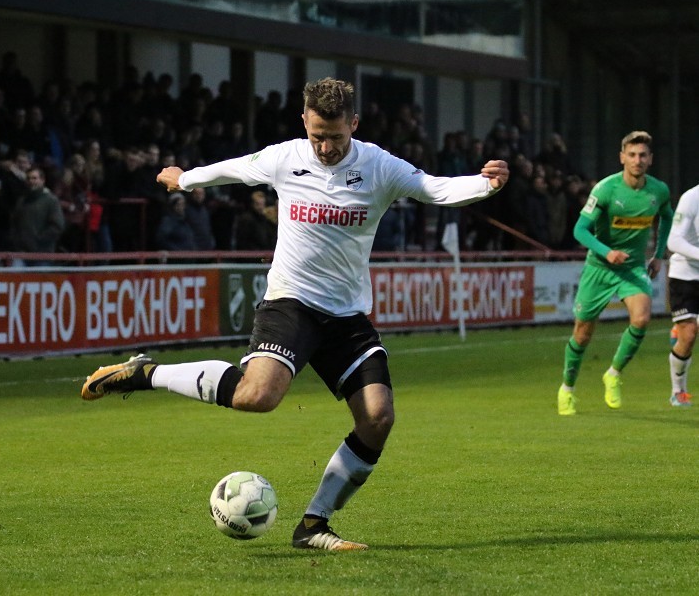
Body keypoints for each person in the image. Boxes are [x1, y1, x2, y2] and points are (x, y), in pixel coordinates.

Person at [79, 78, 509, 551]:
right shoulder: (286, 157)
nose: (325, 147)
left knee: (378, 417)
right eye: (317, 135)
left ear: (355, 125)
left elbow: (434, 188)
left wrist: (485, 184)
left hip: (347, 316)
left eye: (336, 137)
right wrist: (186, 179)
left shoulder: (379, 166)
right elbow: (237, 169)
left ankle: (313, 525)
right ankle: (147, 374)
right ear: (305, 121)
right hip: (292, 302)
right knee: (257, 396)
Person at [557, 130, 673, 415]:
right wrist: (606, 251)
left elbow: (666, 218)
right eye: (632, 155)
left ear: (651, 159)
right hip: (599, 268)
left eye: (643, 155)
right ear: (622, 157)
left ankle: (613, 373)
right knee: (583, 334)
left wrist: (658, 255)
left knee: (642, 318)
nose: (637, 160)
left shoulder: (658, 190)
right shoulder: (606, 189)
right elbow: (580, 230)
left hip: (632, 267)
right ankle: (567, 389)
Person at [664, 183, 699, 408]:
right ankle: (678, 391)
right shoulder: (692, 197)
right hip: (685, 275)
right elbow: (674, 241)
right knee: (689, 335)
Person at [9, 166, 64, 266]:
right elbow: (14, 223)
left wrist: (39, 239)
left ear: (42, 180)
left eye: (34, 178)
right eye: (28, 178)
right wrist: (16, 241)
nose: (31, 181)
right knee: (14, 278)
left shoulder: (51, 201)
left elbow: (57, 226)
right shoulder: (21, 201)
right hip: (22, 252)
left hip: (43, 254)